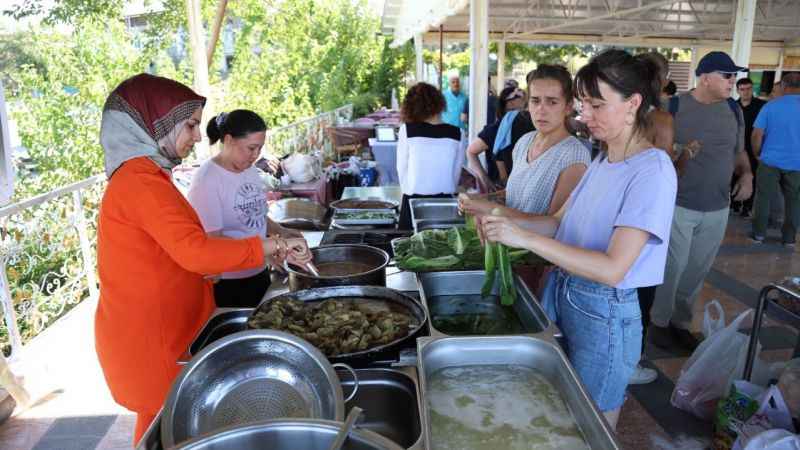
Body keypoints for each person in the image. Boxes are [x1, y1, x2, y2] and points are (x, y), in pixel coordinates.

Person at [95, 73, 312, 443]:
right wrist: (269, 246)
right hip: (154, 340)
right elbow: (196, 251)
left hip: (166, 331)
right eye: (191, 125)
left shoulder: (147, 176)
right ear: (154, 125)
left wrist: (270, 238)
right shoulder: (139, 182)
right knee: (169, 428)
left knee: (157, 430)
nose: (198, 136)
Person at [482, 49, 677, 428]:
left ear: (633, 103)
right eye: (584, 104)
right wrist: (497, 219)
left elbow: (613, 268)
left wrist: (525, 238)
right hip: (564, 293)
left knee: (590, 424)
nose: (584, 116)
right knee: (557, 411)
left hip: (604, 314)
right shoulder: (603, 159)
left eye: (597, 106)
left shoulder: (652, 170)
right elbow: (558, 224)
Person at [650, 51, 753, 351]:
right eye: (727, 75)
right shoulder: (675, 107)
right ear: (705, 78)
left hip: (718, 207)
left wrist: (747, 175)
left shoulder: (734, 111)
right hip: (679, 205)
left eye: (733, 76)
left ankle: (680, 324)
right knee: (672, 268)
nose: (732, 82)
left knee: (696, 271)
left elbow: (739, 152)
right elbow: (656, 152)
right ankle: (658, 324)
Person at [188, 109, 304, 307]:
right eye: (251, 148)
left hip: (258, 271)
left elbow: (254, 214)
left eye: (259, 148)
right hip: (229, 282)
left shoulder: (249, 168)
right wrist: (269, 249)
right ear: (229, 140)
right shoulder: (207, 180)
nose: (256, 155)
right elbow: (212, 240)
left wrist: (281, 231)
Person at [461, 64, 589, 219]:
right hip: (503, 239)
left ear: (568, 107)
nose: (541, 109)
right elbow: (515, 194)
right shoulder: (524, 142)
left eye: (552, 102)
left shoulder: (574, 155)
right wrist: (477, 200)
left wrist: (490, 207)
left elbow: (554, 224)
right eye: (535, 101)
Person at [396, 82, 463, 229]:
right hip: (446, 202)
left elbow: (402, 170)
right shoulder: (457, 133)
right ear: (439, 103)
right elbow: (456, 174)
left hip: (413, 201)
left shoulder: (407, 130)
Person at [751, 73, 800, 246]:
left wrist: (757, 153)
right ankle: (789, 239)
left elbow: (757, 134)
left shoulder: (770, 106)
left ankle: (759, 235)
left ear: (784, 86)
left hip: (770, 160)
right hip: (797, 164)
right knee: (794, 201)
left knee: (763, 198)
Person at [465, 86, 528, 189]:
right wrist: (486, 181)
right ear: (509, 103)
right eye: (519, 96)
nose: (526, 100)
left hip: (522, 187)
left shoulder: (530, 125)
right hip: (500, 187)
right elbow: (471, 151)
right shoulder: (495, 129)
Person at [734, 77, 767, 217]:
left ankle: (747, 207)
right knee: (735, 175)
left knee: (751, 175)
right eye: (742, 89)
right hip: (736, 146)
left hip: (754, 146)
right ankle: (734, 203)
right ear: (738, 91)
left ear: (752, 89)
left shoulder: (761, 106)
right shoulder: (733, 106)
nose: (746, 92)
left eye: (748, 89)